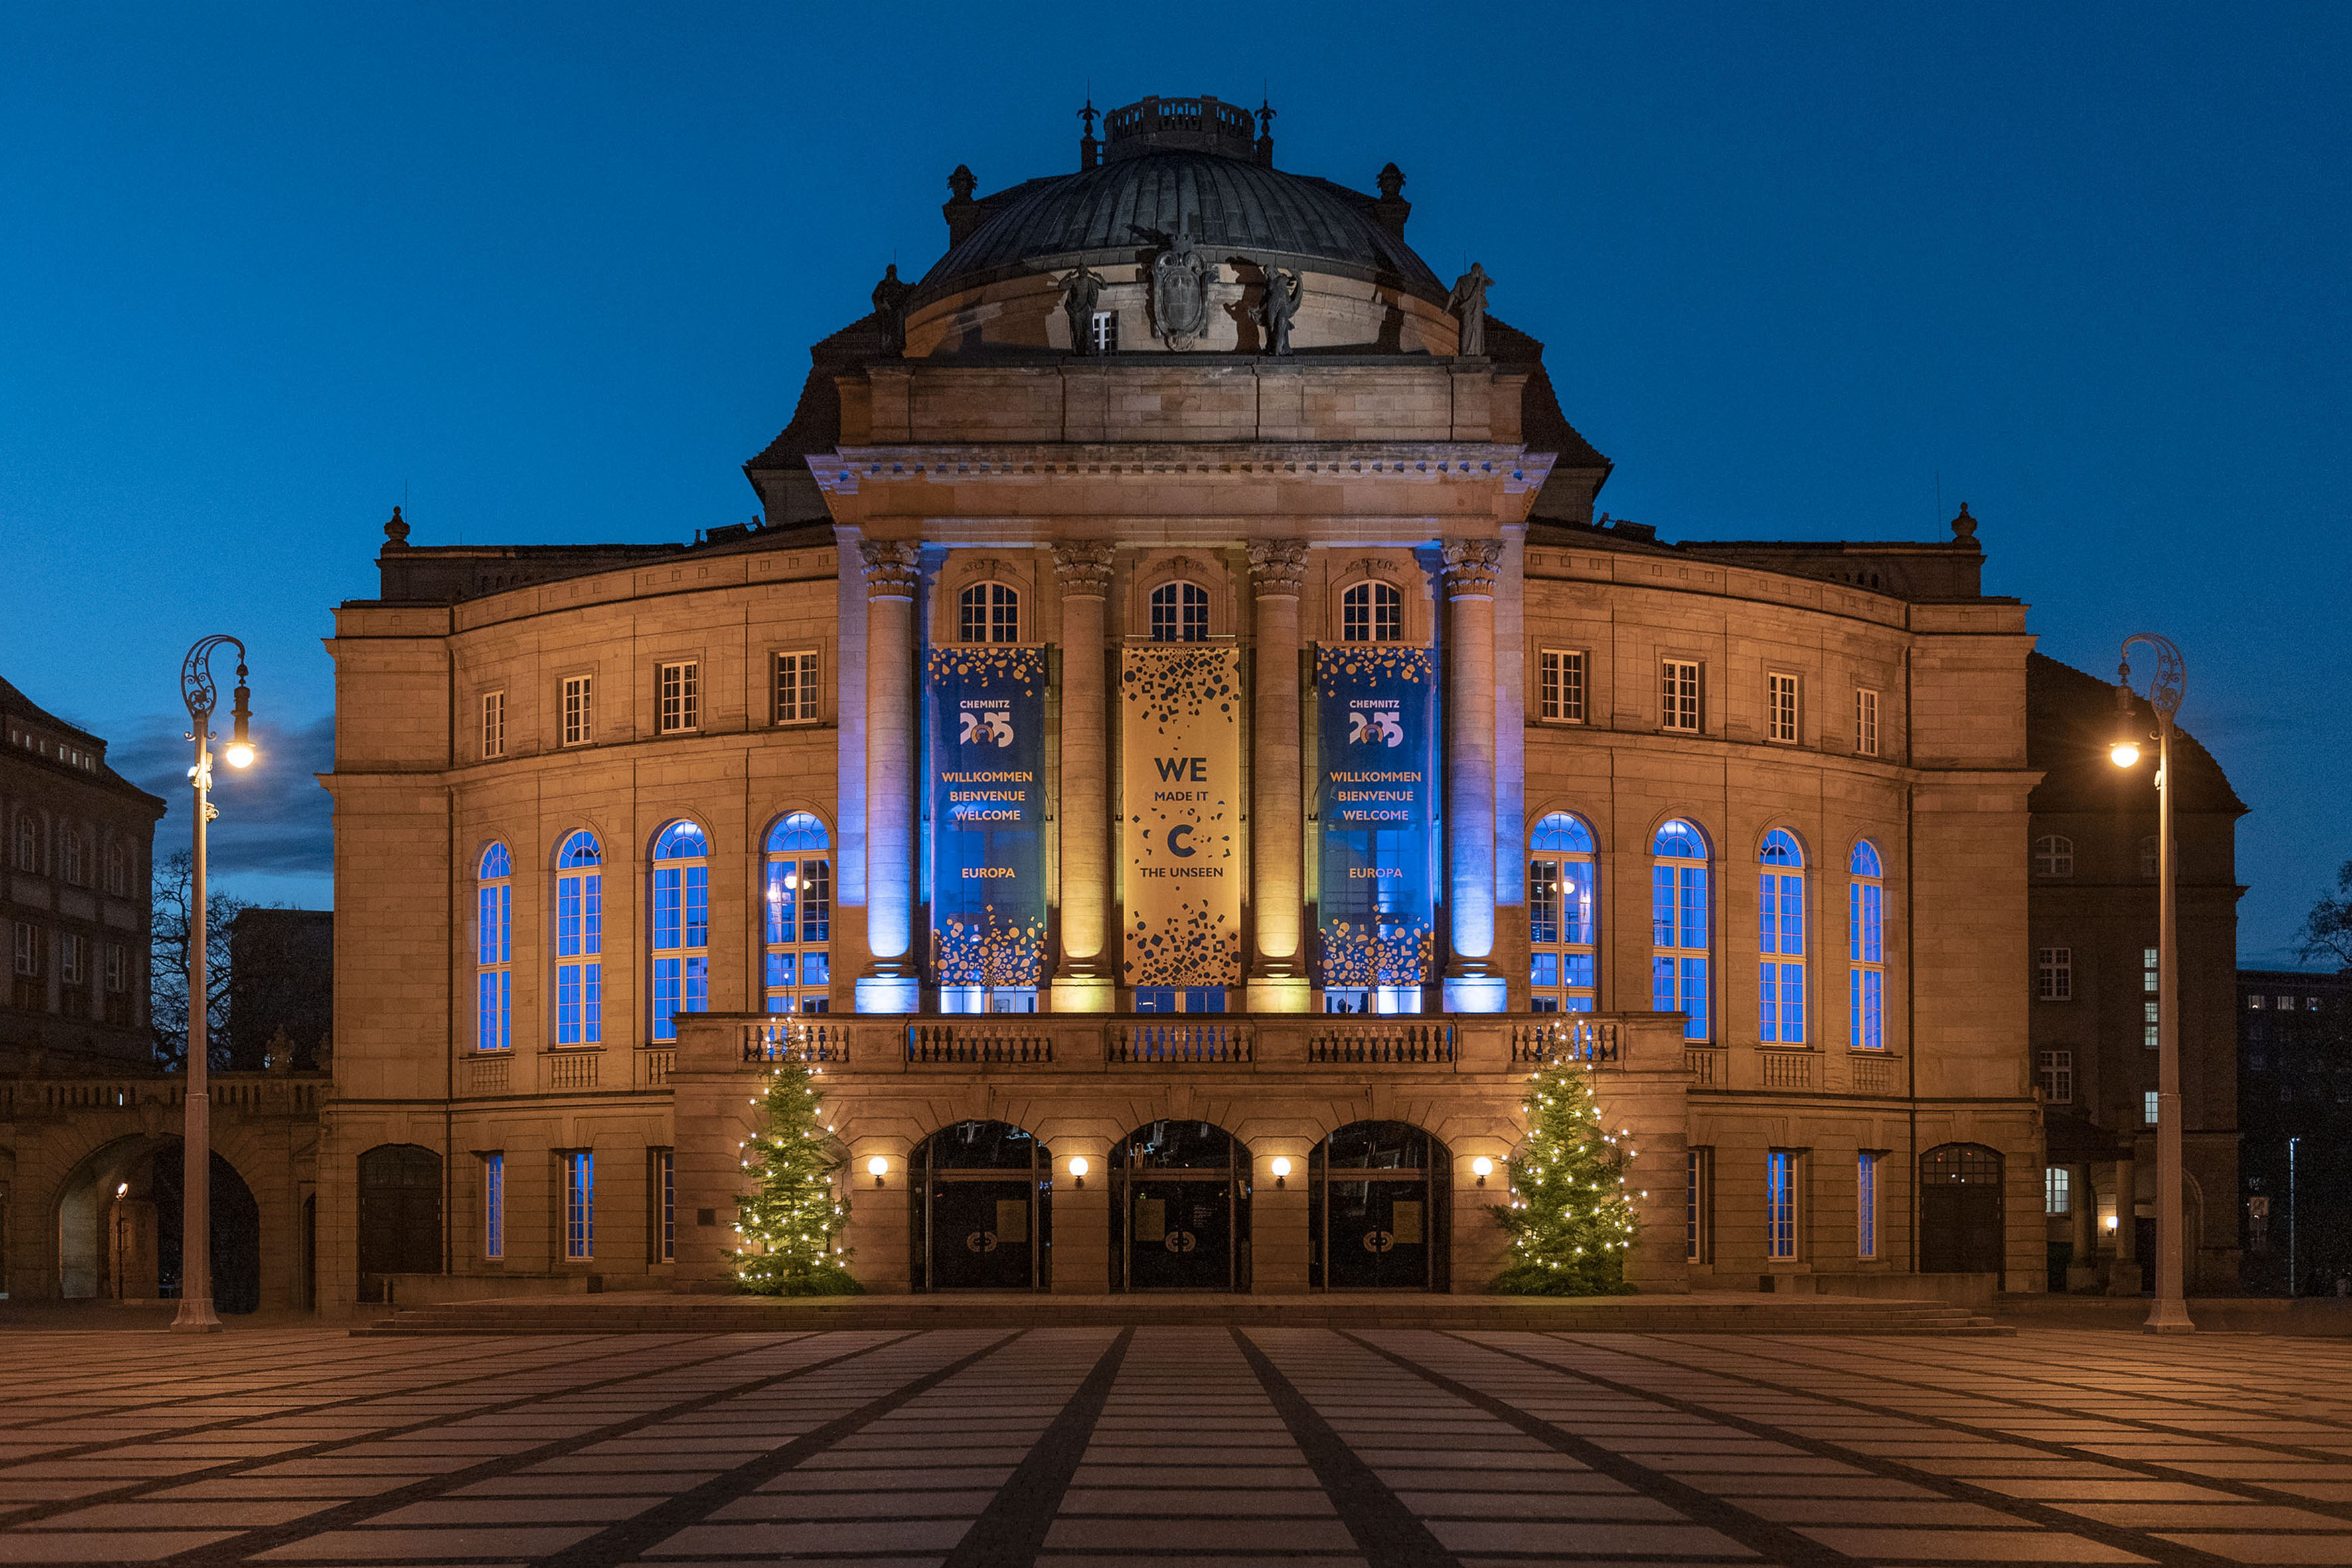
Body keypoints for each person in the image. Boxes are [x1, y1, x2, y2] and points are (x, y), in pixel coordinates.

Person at [1447, 262, 1492, 356]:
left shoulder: (1479, 281)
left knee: (1476, 330)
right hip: (1467, 308)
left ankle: (1475, 352)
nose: (1478, 271)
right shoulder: (1462, 280)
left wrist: (1482, 276)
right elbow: (1454, 293)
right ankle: (1465, 353)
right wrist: (1447, 309)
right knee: (1467, 329)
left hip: (1477, 310)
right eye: (1478, 269)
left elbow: (1491, 283)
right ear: (1474, 269)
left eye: (1479, 270)